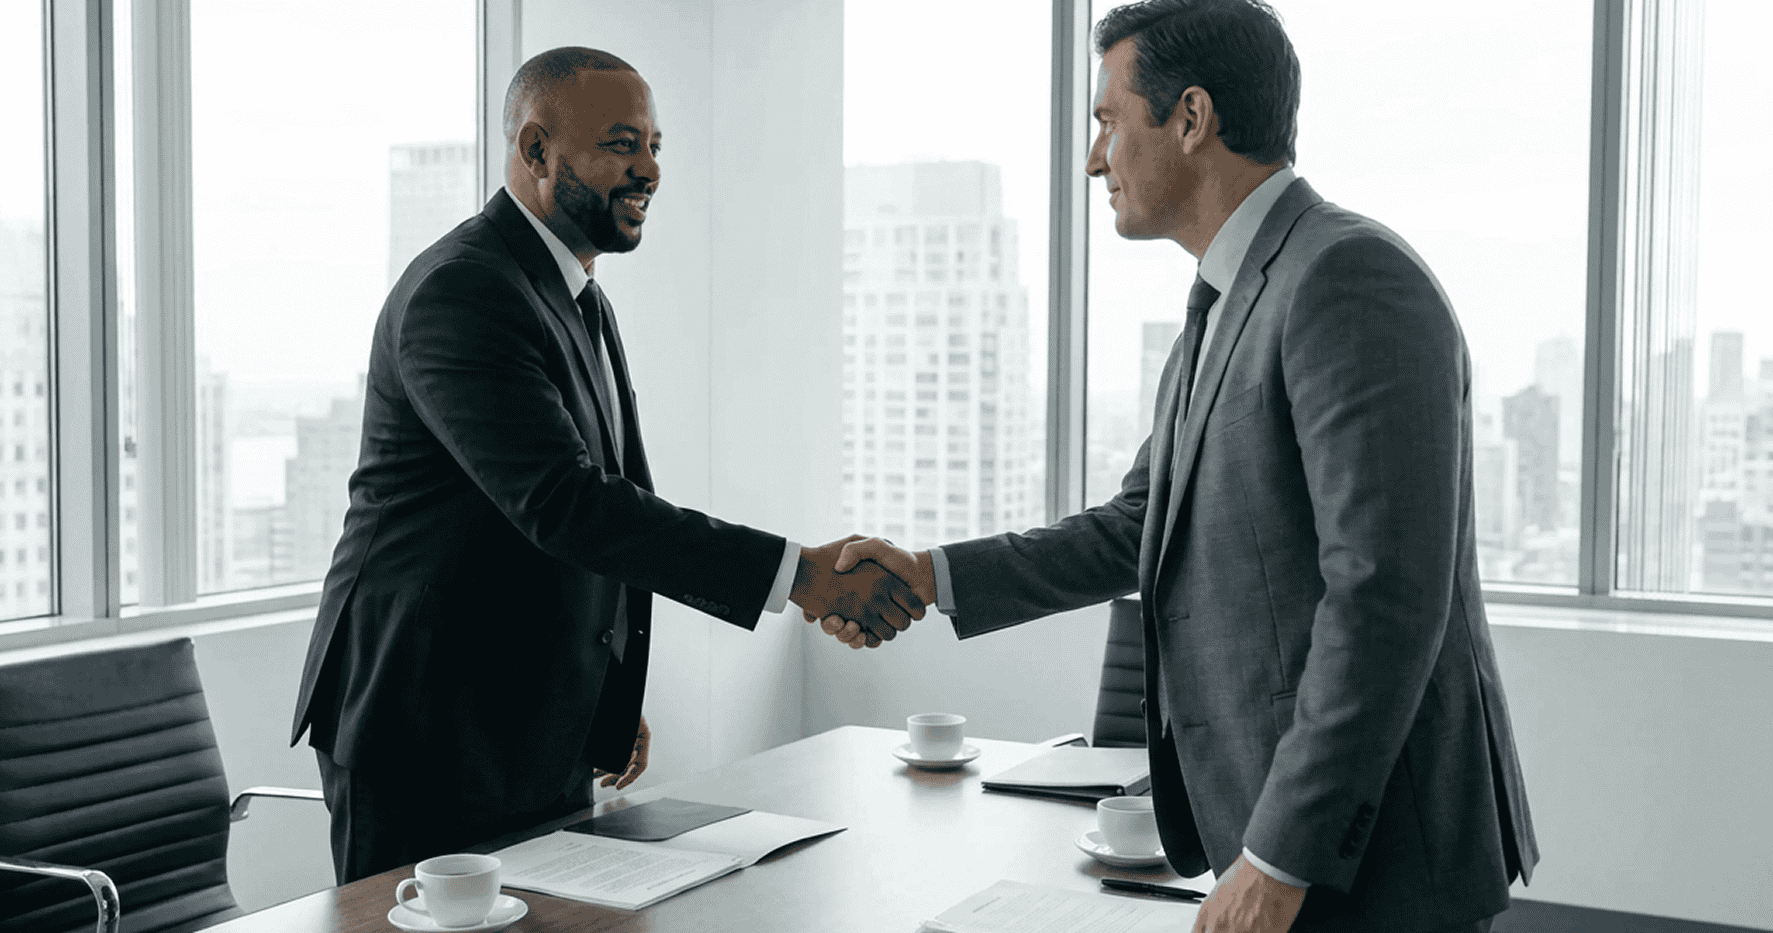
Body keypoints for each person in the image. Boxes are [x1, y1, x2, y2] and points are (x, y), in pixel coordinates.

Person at [829, 2, 1538, 930]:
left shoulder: (1346, 278)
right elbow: (1140, 524)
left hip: (1369, 861)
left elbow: (1383, 597)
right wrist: (931, 575)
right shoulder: (1226, 298)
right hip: (1274, 832)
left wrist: (1281, 855)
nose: (1093, 160)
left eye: (1107, 123)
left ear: (1191, 118)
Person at [289, 47, 922, 884]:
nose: (650, 169)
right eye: (623, 144)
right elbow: (565, 503)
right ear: (536, 151)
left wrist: (606, 690)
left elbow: (611, 504)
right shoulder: (464, 291)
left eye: (656, 145)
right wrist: (801, 574)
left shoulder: (573, 292)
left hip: (532, 719)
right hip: (429, 726)